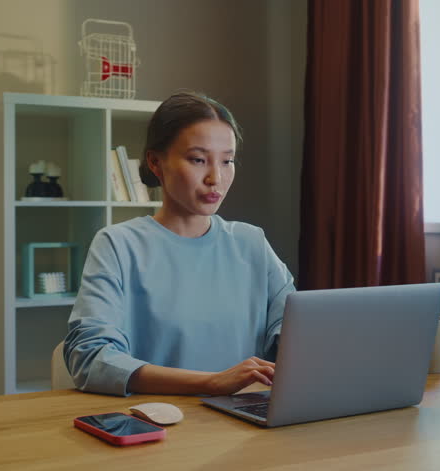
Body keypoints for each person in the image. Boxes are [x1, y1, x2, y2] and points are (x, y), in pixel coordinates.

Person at [63, 91, 296, 397]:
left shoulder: (251, 242)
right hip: (158, 423)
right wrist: (211, 383)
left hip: (245, 419)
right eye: (198, 160)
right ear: (156, 162)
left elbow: (294, 331)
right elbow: (91, 358)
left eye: (227, 161)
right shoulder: (119, 245)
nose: (216, 178)